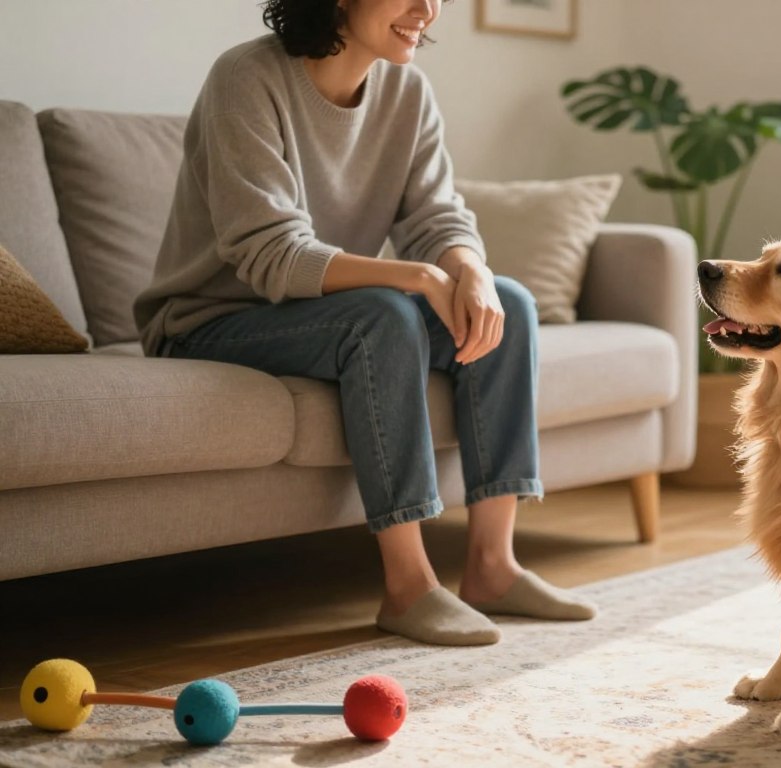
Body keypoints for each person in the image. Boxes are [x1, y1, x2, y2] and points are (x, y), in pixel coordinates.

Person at [133, 0, 595, 647]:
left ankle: (493, 566)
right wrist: (413, 276)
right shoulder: (244, 79)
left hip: (321, 313)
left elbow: (437, 219)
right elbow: (270, 253)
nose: (427, 10)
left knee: (510, 307)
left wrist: (472, 271)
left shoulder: (407, 90)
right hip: (213, 320)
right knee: (382, 315)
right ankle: (409, 586)